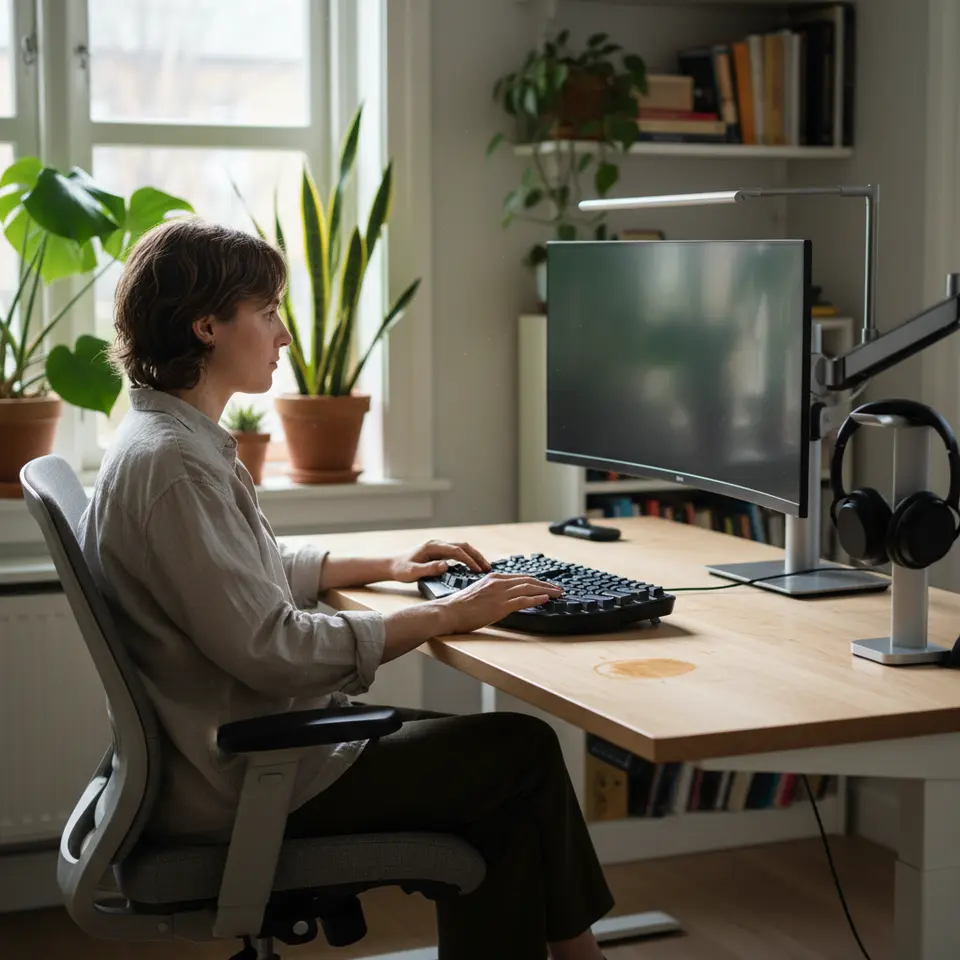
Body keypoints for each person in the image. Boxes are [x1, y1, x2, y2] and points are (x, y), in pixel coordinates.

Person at [79, 218, 615, 960]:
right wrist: (450, 613)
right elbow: (271, 647)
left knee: (503, 777)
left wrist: (387, 565)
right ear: (206, 327)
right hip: (245, 777)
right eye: (267, 312)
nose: (283, 335)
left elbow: (240, 570)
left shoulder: (161, 441)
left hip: (230, 752)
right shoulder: (175, 466)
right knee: (519, 754)